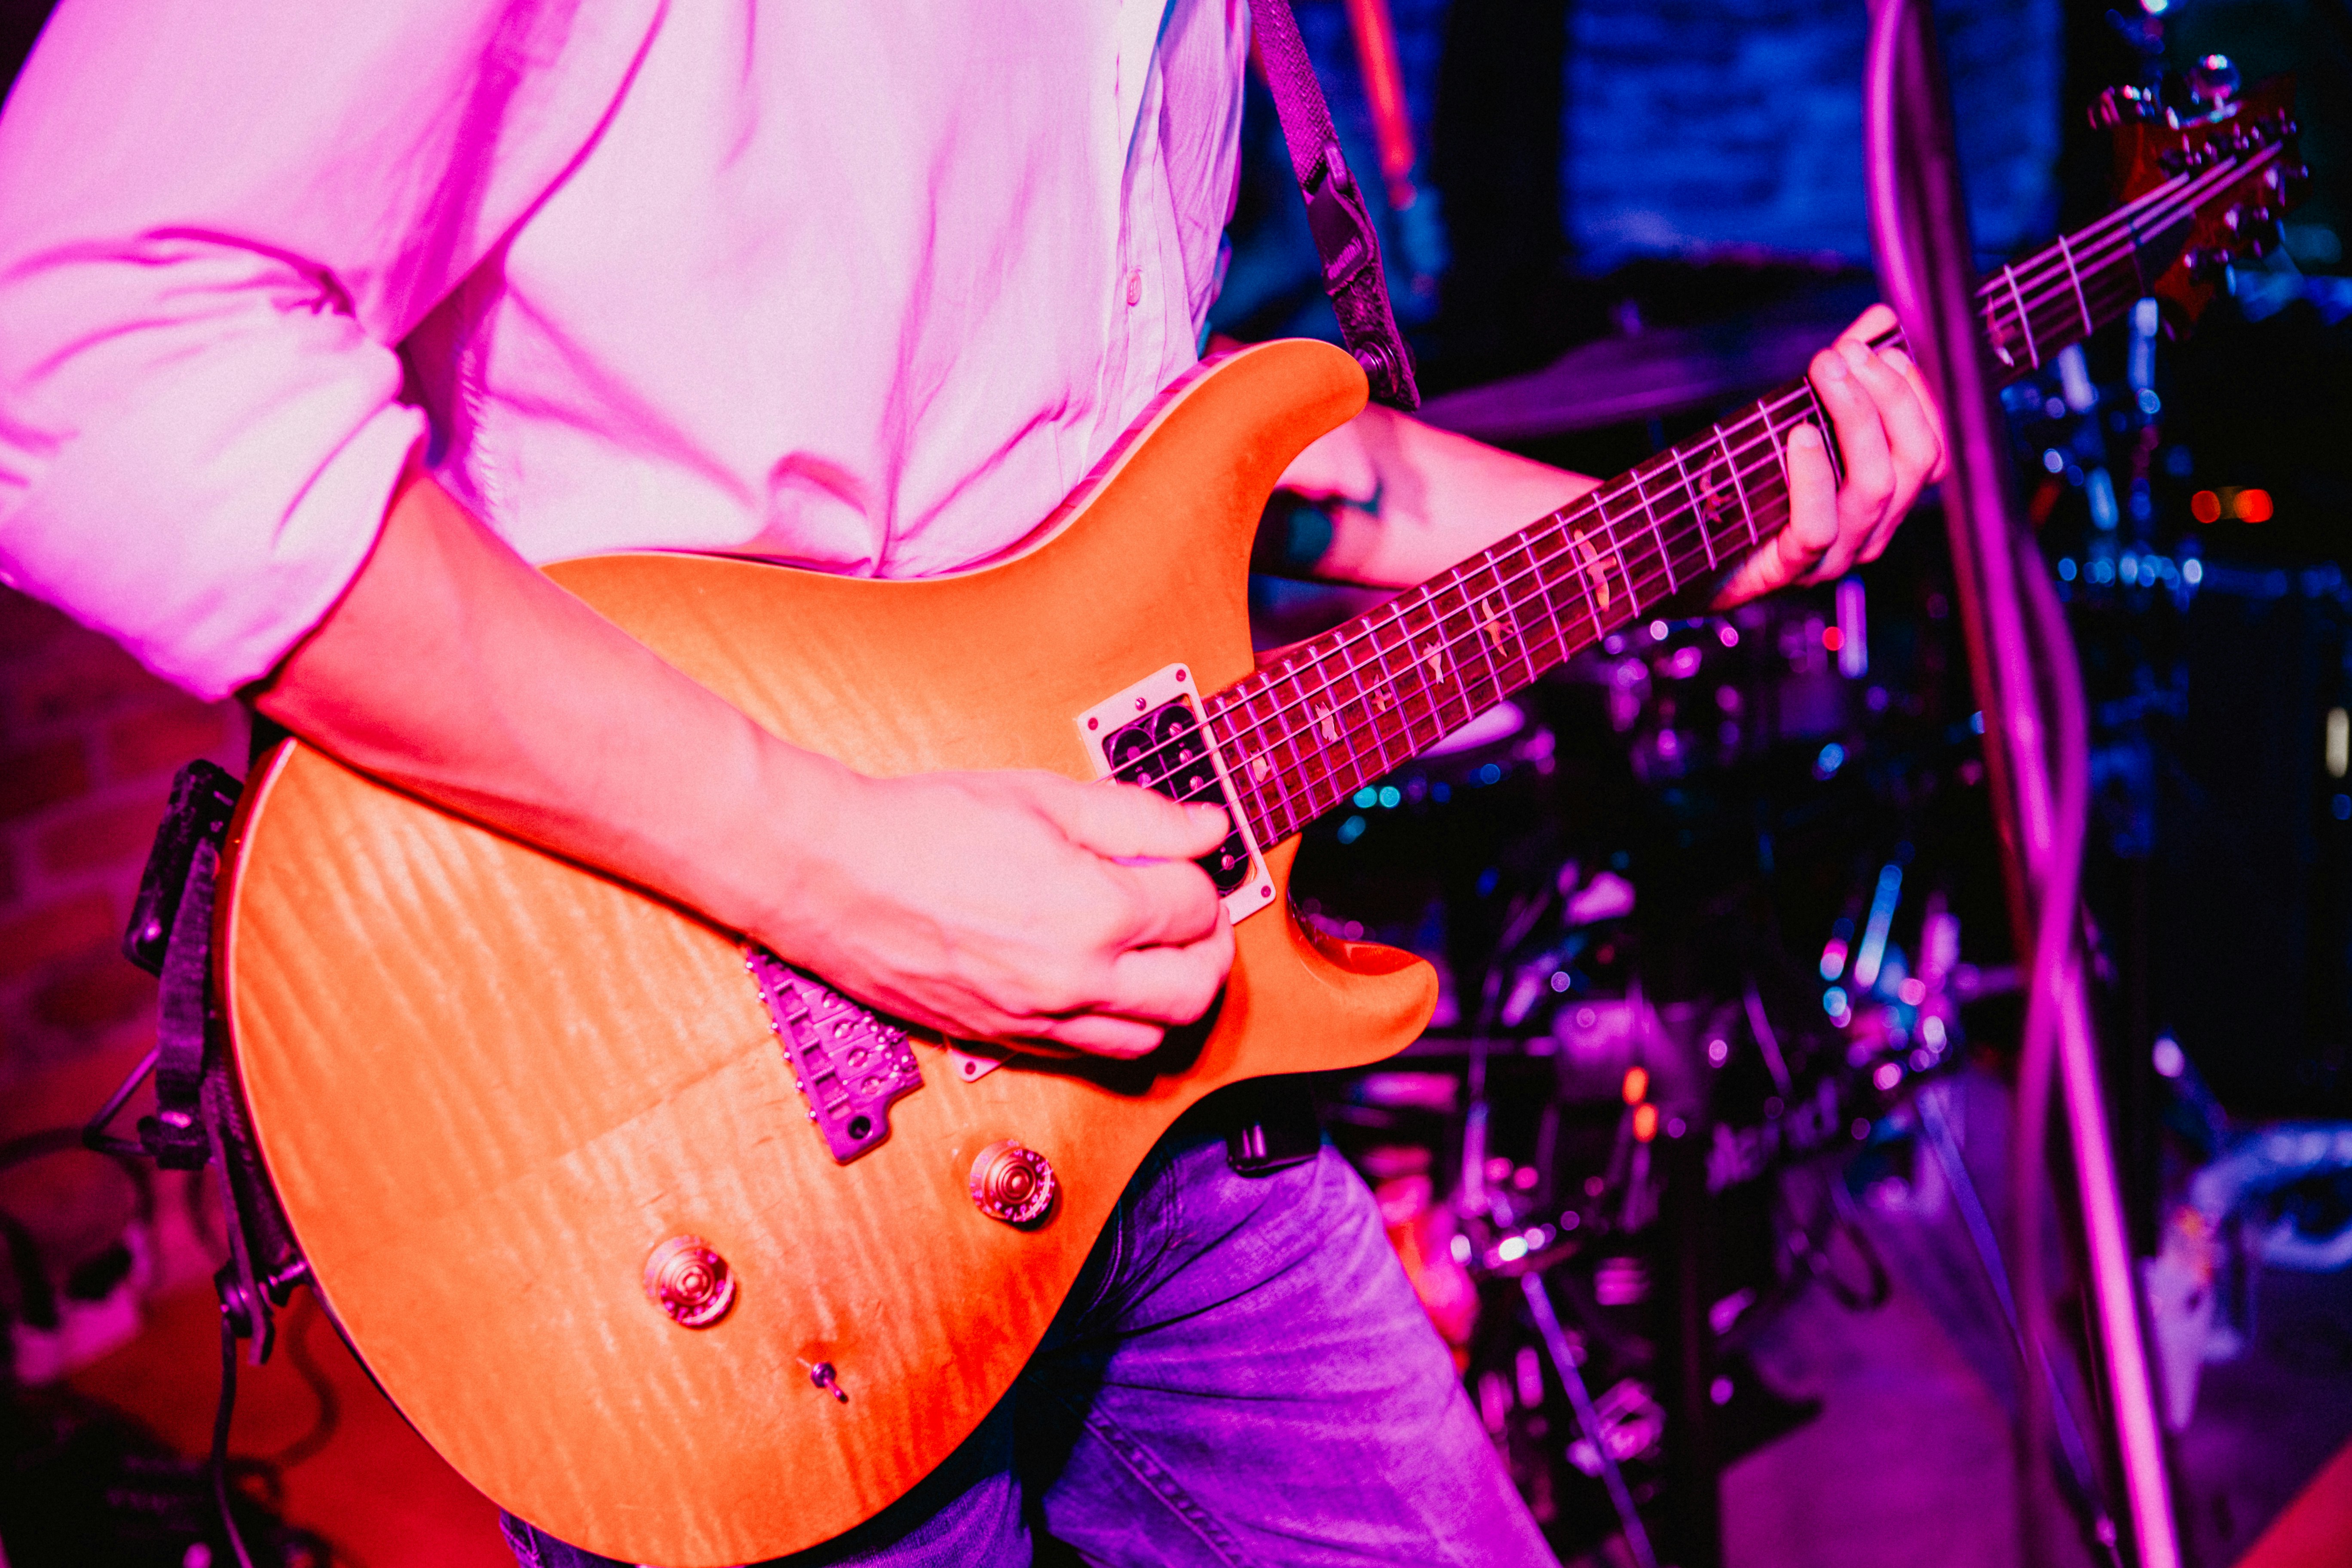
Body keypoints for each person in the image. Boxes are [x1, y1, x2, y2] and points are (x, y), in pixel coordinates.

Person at [0, 3, 1944, 1564]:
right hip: (701, 1112)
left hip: (1158, 1097)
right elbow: (77, 338)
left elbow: (1151, 463)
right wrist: (847, 872)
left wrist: (1686, 527)